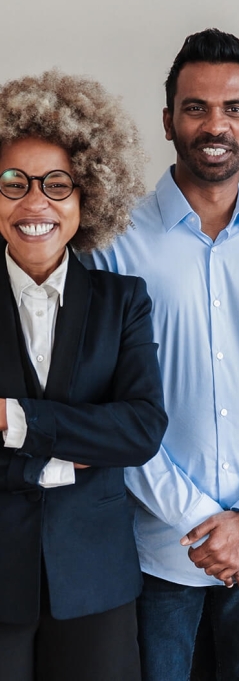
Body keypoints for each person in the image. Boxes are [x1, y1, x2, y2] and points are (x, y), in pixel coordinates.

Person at [87, 28, 239, 681]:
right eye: (196, 108)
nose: (215, 125)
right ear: (168, 120)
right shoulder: (114, 246)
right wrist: (203, 524)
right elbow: (110, 408)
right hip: (156, 552)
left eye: (234, 108)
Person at [0, 70, 167, 680]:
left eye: (57, 184)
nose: (35, 202)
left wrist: (14, 420)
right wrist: (78, 447)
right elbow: (112, 433)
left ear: (87, 195)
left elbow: (141, 430)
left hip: (94, 577)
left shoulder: (124, 300)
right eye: (13, 183)